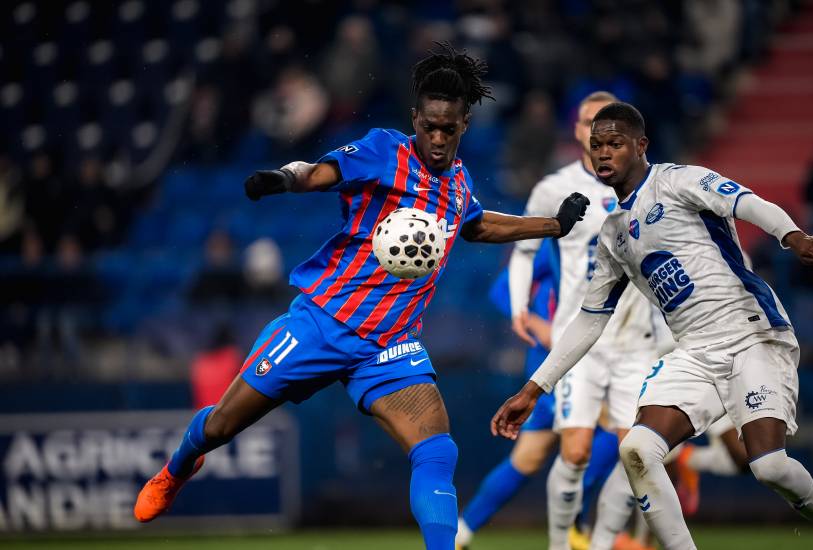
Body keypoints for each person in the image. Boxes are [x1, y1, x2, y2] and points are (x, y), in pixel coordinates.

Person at [133, 43, 590, 550]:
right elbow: (321, 172)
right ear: (416, 119)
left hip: (389, 344)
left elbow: (477, 226)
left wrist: (553, 224)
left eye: (450, 130)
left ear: (464, 126)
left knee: (438, 451)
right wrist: (285, 180)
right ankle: (175, 470)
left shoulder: (458, 184)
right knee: (221, 425)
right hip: (320, 323)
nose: (438, 139)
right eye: (430, 127)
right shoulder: (383, 151)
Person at [491, 102, 813, 550]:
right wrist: (534, 388)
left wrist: (794, 237)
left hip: (751, 333)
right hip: (694, 352)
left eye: (615, 144)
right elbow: (589, 320)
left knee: (768, 467)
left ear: (640, 146)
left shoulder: (677, 181)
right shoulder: (613, 234)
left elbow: (746, 201)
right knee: (637, 450)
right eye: (596, 146)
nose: (604, 154)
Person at [500, 91, 670, 550]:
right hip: (580, 340)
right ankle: (560, 545)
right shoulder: (554, 187)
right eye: (589, 123)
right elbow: (524, 250)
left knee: (635, 454)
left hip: (637, 341)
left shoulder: (653, 187)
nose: (598, 133)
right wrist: (519, 307)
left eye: (607, 124)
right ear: (578, 131)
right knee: (573, 452)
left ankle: (603, 543)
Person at [456, 240, 621, 550]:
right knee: (620, 432)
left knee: (530, 457)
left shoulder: (624, 228)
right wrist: (537, 323)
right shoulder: (564, 240)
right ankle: (575, 525)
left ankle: (462, 532)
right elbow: (502, 291)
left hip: (605, 357)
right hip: (561, 364)